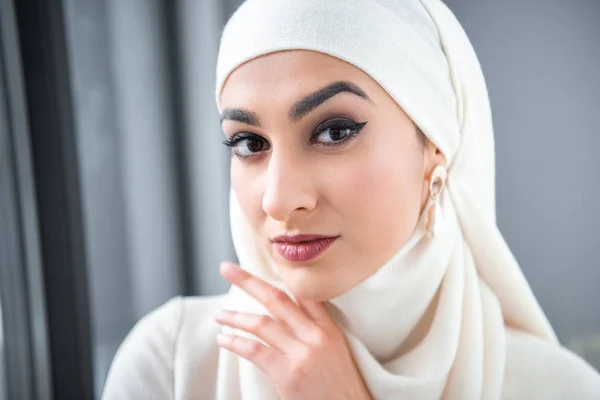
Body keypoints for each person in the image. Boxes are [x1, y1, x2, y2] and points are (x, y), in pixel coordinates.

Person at [102, 0, 600, 399]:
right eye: (249, 143)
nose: (278, 200)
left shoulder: (558, 389)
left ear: (435, 148)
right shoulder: (173, 365)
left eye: (334, 131)